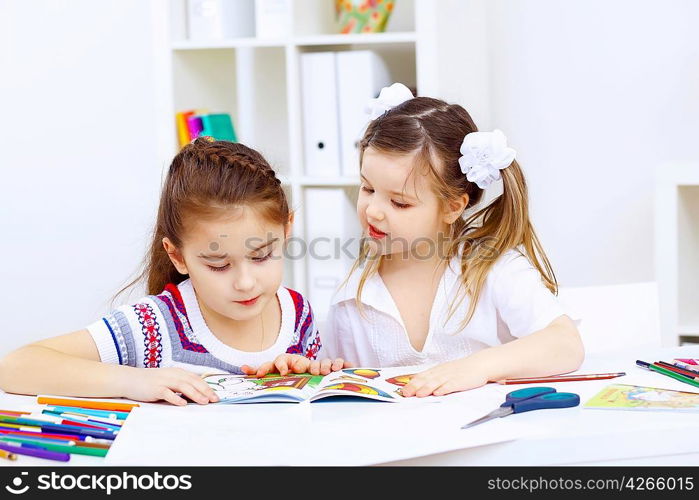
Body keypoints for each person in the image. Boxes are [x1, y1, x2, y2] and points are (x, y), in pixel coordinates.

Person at [0, 138, 348, 406]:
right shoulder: (155, 326)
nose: (245, 282)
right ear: (178, 256)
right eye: (218, 265)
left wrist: (307, 373)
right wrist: (134, 382)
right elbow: (17, 366)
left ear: (287, 232)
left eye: (261, 256)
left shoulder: (297, 314)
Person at [324, 83, 584, 397]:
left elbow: (566, 344)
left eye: (399, 202)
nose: (374, 211)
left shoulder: (491, 268)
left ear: (452, 207)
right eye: (367, 189)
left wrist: (477, 367)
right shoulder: (352, 294)